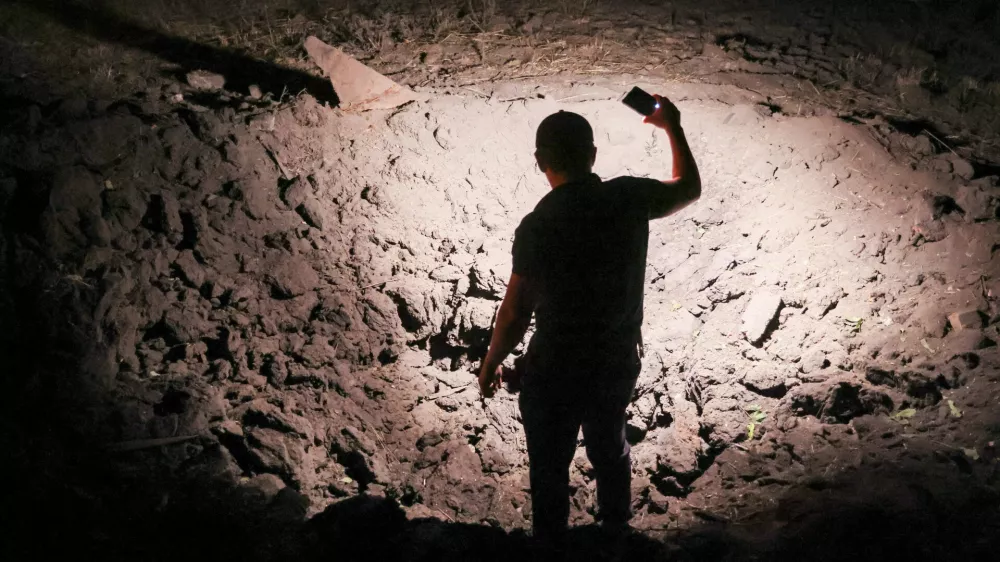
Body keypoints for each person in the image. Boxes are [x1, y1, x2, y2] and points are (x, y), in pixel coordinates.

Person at [477, 94, 701, 547]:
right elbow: (688, 187)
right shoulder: (628, 197)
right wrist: (671, 126)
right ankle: (616, 534)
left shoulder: (538, 225)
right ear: (593, 155)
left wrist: (491, 361)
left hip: (555, 367)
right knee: (609, 444)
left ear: (540, 161)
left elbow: (517, 310)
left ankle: (551, 545)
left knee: (548, 466)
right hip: (614, 359)